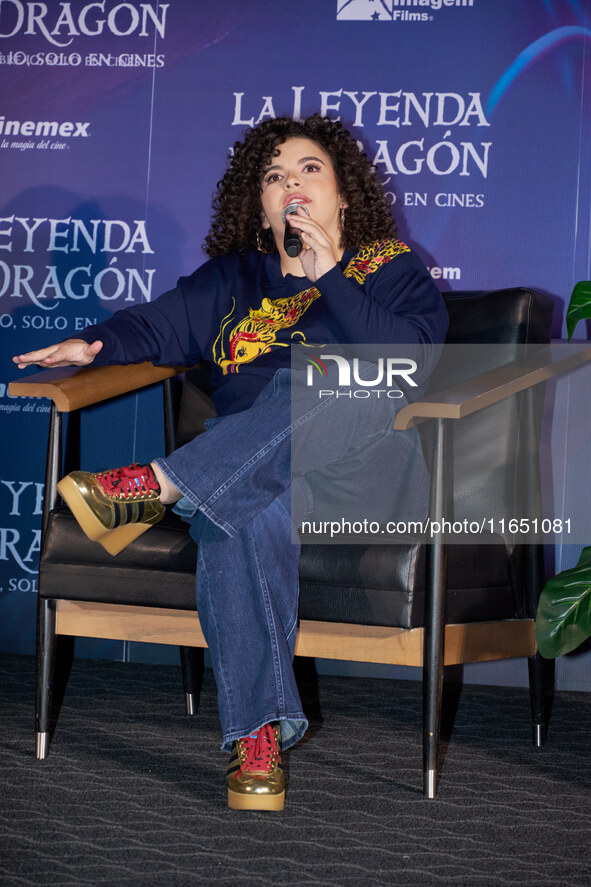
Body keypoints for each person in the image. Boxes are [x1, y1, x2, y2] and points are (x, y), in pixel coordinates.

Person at [13, 114, 449, 812]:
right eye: (275, 177)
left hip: (363, 474)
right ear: (260, 203)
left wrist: (330, 273)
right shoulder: (231, 280)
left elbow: (407, 364)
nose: (291, 186)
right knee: (238, 509)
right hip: (259, 471)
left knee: (320, 378)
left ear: (343, 197)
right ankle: (256, 736)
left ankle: (156, 484)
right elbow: (151, 326)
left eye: (310, 170)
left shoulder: (389, 267)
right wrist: (92, 344)